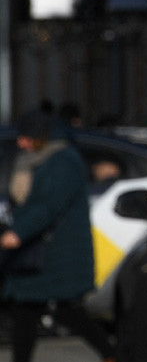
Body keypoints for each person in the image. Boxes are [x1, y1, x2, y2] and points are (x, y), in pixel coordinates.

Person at [1, 110, 116, 362]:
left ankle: (111, 355)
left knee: (65, 310)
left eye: (27, 138)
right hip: (37, 252)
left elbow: (48, 206)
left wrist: (18, 234)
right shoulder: (32, 160)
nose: (21, 143)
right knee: (25, 309)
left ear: (42, 137)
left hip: (57, 253)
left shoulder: (64, 161)